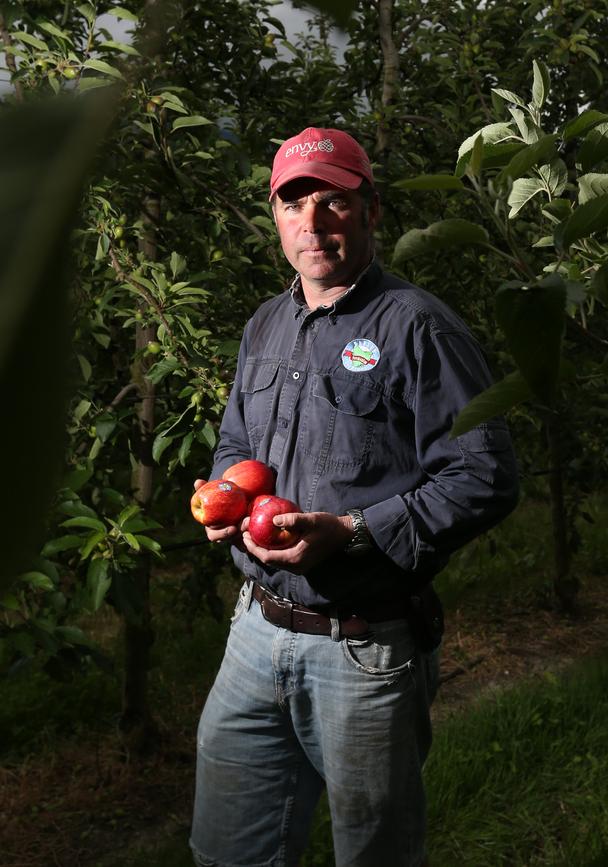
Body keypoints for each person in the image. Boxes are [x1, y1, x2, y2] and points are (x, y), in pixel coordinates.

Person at [190, 127, 519, 867]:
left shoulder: (417, 326)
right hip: (255, 633)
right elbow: (237, 445)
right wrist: (225, 497)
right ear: (275, 218)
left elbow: (487, 473)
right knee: (226, 850)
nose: (312, 223)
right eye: (293, 204)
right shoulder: (265, 326)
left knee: (373, 854)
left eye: (332, 201)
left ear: (369, 209)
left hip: (364, 647)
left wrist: (355, 528)